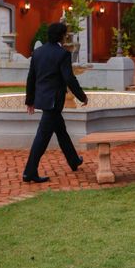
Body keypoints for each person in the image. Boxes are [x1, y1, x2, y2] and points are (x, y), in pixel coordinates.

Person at [23, 22, 88, 183]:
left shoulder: (37, 52)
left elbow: (31, 78)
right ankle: (29, 172)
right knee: (42, 138)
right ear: (61, 36)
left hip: (44, 99)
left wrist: (30, 100)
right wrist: (82, 96)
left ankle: (73, 160)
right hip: (53, 102)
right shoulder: (62, 54)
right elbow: (69, 78)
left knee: (61, 131)